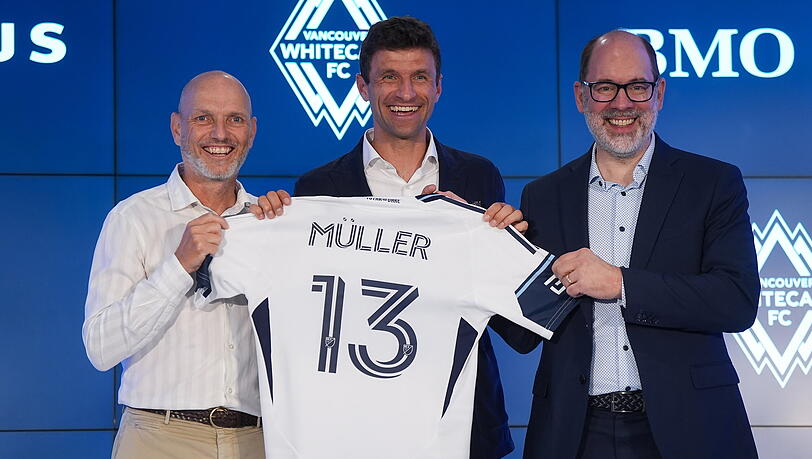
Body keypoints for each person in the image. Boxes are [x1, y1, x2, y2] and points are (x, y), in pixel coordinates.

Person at [258, 16, 522, 459]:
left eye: (420, 77)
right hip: (353, 426)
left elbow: (506, 315)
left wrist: (506, 250)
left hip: (459, 427)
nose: (405, 93)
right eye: (389, 78)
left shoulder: (479, 177)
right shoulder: (317, 189)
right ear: (363, 86)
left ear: (439, 87)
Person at [516, 30, 759, 458]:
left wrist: (620, 283)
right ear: (580, 95)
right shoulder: (543, 196)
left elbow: (736, 301)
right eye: (605, 87)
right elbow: (523, 332)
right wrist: (483, 244)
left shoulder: (713, 183)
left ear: (659, 92)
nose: (622, 103)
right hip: (573, 432)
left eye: (638, 86)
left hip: (691, 425)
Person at [83, 71, 265, 458]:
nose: (220, 134)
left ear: (250, 131)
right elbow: (100, 348)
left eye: (234, 119)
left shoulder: (270, 223)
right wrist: (179, 265)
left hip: (257, 441)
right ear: (177, 128)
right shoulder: (133, 218)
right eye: (203, 118)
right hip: (158, 439)